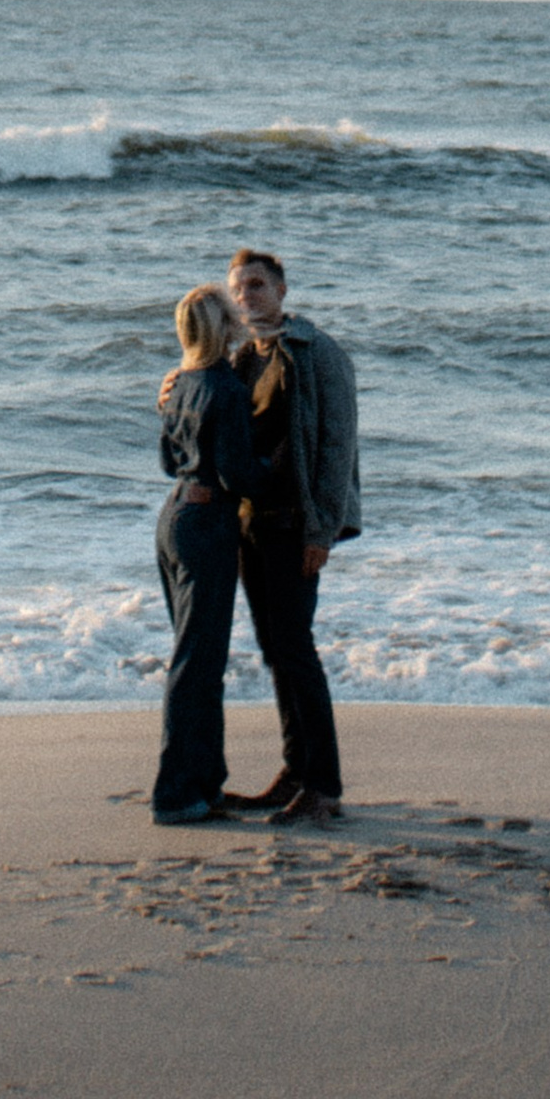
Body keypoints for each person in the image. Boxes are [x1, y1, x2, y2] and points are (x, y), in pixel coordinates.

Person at [219, 244, 357, 821]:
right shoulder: (242, 358)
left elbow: (337, 447)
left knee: (297, 649)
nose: (247, 295)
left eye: (257, 284)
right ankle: (294, 772)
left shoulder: (317, 352)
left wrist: (321, 530)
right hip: (252, 522)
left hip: (296, 524)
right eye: (238, 287)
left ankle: (324, 786)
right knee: (276, 650)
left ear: (282, 290)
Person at [150, 282, 256, 824]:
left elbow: (169, 464)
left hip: (172, 519)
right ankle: (175, 792)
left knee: (198, 655)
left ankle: (206, 782)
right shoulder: (227, 390)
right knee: (197, 662)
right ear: (226, 329)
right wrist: (280, 469)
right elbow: (240, 473)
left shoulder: (179, 384)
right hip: (209, 523)